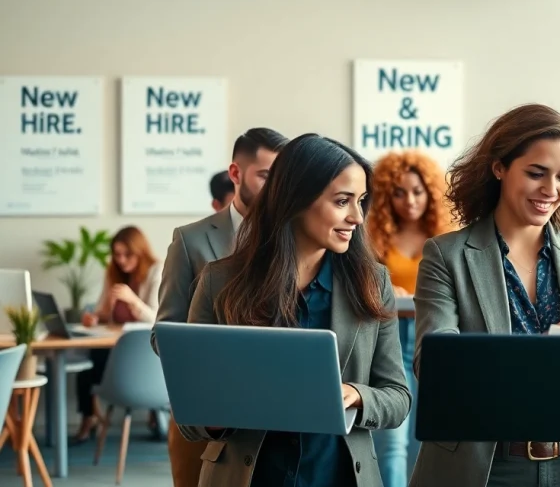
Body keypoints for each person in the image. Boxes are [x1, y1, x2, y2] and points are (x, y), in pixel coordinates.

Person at [409, 103, 560, 487]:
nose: (551, 189)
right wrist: (539, 359)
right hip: (484, 467)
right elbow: (435, 366)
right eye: (536, 173)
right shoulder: (447, 255)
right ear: (499, 168)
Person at [180, 134, 412, 487]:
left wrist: (356, 394)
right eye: (342, 201)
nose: (357, 217)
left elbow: (397, 397)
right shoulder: (219, 281)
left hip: (338, 476)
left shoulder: (371, 283)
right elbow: (190, 413)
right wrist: (217, 414)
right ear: (295, 200)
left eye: (361, 201)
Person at [153, 127, 288, 487]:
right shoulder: (191, 240)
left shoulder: (295, 241)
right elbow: (164, 331)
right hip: (205, 410)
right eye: (265, 176)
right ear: (235, 174)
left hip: (276, 411)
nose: (275, 188)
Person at [365, 150, 454, 487]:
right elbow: (363, 285)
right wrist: (389, 290)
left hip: (433, 338)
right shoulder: (374, 237)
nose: (409, 201)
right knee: (391, 439)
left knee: (425, 436)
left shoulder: (446, 238)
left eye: (417, 191)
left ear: (430, 193)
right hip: (391, 335)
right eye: (399, 192)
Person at [75, 226, 162, 443]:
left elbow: (157, 318)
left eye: (127, 254)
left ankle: (155, 412)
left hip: (146, 351)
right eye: (117, 254)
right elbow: (104, 313)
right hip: (116, 346)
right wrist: (94, 318)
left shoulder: (156, 271)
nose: (121, 260)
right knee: (87, 368)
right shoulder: (114, 273)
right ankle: (89, 420)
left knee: (94, 363)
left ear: (140, 252)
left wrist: (133, 300)